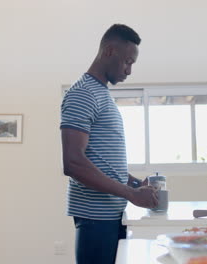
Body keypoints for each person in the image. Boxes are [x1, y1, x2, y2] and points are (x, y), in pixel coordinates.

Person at [60, 24, 159, 264]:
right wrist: (131, 194)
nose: (129, 70)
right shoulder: (82, 93)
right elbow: (73, 163)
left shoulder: (100, 93)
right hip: (96, 217)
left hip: (110, 214)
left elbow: (99, 159)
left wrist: (132, 182)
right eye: (127, 61)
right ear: (109, 52)